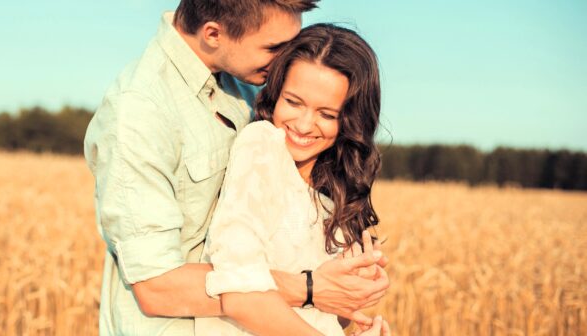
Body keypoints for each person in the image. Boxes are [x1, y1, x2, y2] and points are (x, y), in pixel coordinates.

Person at [84, 1, 390, 334]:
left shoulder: (248, 84)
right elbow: (156, 286)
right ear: (213, 33)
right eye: (274, 47)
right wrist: (310, 289)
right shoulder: (139, 111)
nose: (285, 60)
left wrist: (344, 298)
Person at [195, 24, 391, 335]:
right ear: (275, 95)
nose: (302, 124)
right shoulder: (261, 147)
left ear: (351, 121)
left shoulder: (333, 189)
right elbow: (238, 295)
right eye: (293, 102)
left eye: (327, 114)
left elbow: (321, 312)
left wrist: (351, 295)